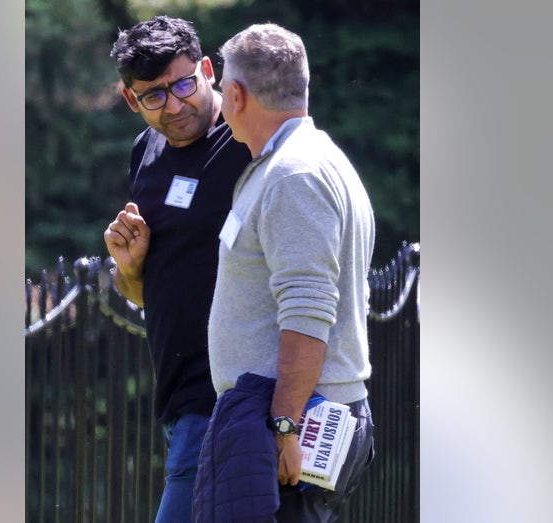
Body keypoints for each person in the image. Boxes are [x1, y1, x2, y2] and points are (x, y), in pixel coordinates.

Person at [193, 23, 376, 522]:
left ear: (234, 94)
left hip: (295, 420)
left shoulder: (294, 175)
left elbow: (307, 314)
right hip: (288, 414)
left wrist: (285, 428)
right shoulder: (303, 162)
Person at [103, 15, 252, 523]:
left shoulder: (248, 143)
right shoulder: (144, 153)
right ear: (131, 99)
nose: (174, 103)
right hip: (174, 393)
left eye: (184, 83)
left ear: (208, 69)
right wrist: (130, 267)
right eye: (153, 96)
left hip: (231, 395)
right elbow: (145, 292)